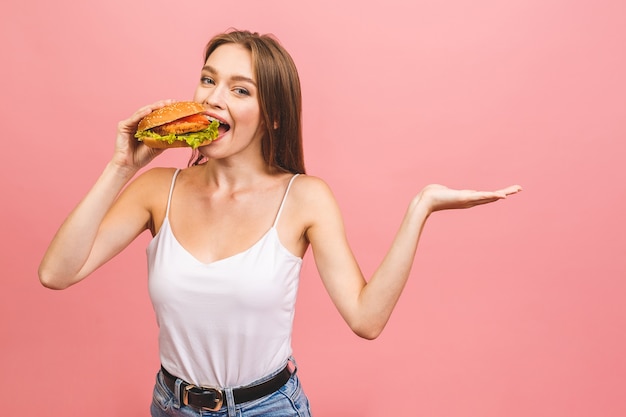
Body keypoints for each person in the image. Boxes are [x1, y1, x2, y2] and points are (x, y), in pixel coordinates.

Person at [38, 29, 522, 417]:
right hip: (171, 406)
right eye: (208, 80)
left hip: (268, 408)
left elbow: (366, 318)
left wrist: (422, 206)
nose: (213, 97)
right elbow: (56, 274)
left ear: (271, 116)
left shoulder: (305, 198)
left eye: (240, 89)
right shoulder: (156, 189)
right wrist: (123, 167)